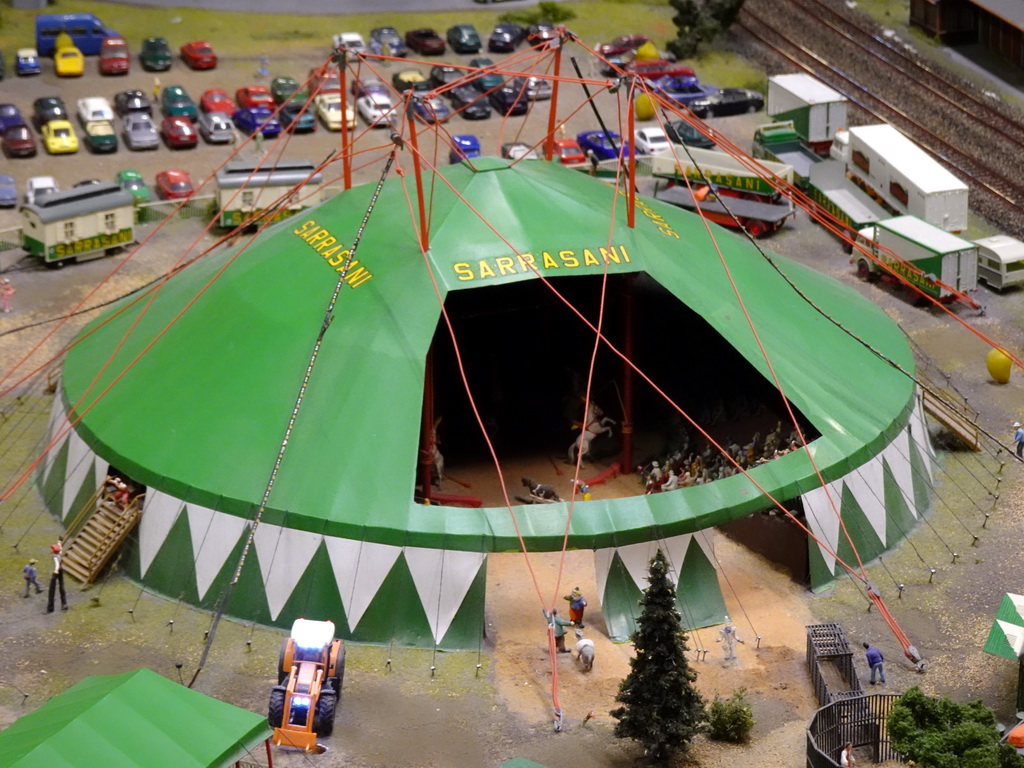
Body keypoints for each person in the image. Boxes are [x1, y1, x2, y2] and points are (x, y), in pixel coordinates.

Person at [47, 542, 68, 613]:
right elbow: (61, 549)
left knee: (52, 588)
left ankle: (50, 607)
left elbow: (57, 564)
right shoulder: (59, 553)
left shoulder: (55, 557)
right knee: (61, 585)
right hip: (61, 570)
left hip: (57, 571)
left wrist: (56, 570)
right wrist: (59, 543)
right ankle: (64, 603)